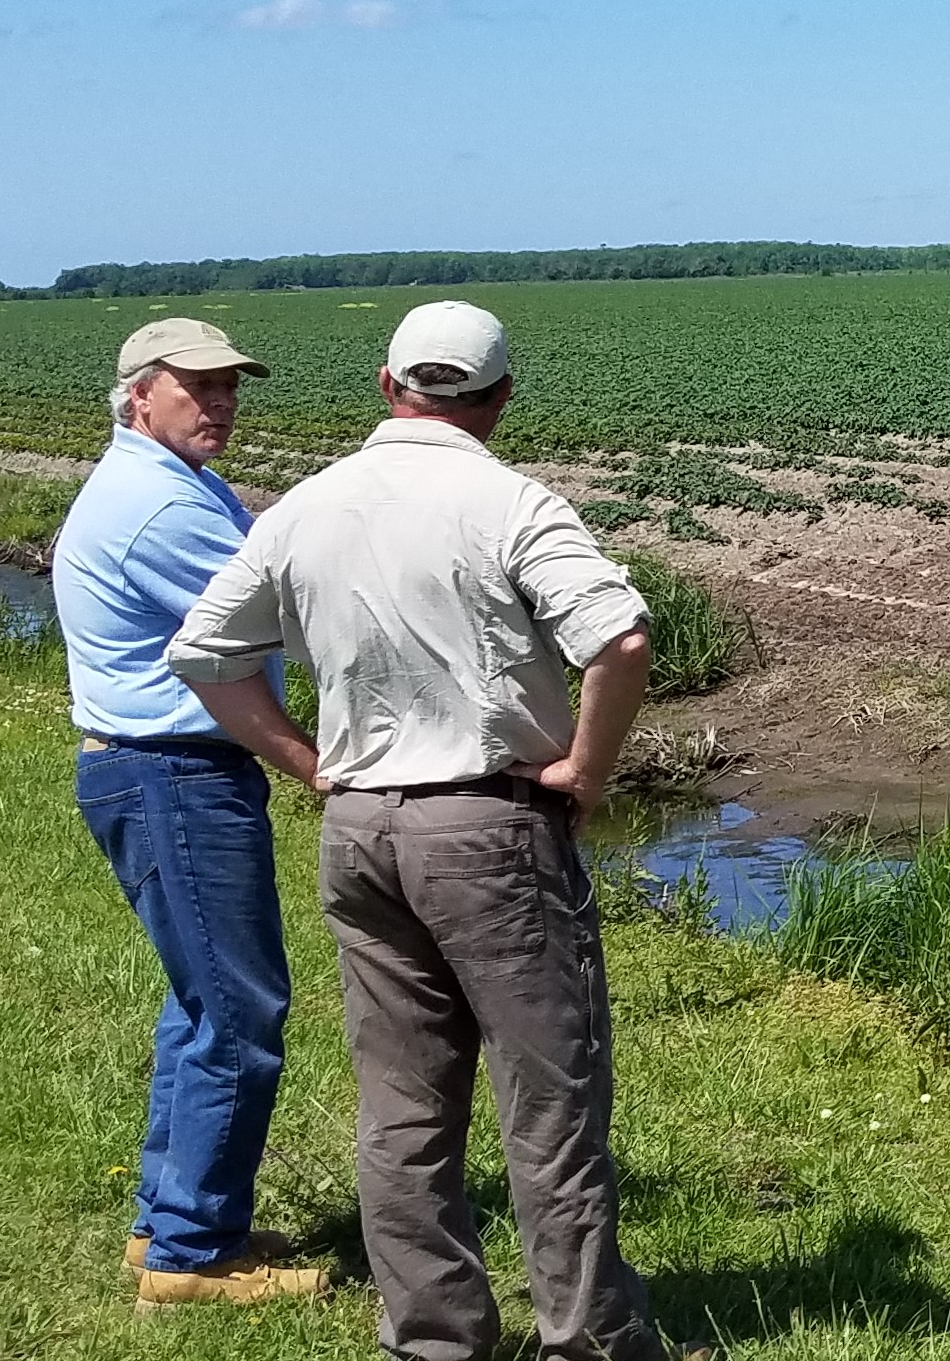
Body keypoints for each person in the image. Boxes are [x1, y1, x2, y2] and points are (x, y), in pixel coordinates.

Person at [170, 301, 690, 1361]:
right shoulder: (509, 502)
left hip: (359, 830)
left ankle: (435, 1338)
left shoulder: (304, 509)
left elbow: (206, 654)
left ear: (386, 383)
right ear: (500, 398)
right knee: (550, 1096)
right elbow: (623, 639)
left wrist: (311, 764)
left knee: (401, 1104)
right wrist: (585, 773)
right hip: (489, 825)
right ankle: (589, 1336)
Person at [56, 317, 331, 1308]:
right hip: (175, 773)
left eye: (230, 387)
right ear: (141, 393)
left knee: (201, 1001)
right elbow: (279, 618)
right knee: (240, 1012)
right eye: (198, 386)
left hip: (158, 770)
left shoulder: (175, 483)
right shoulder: (154, 507)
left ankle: (166, 1221)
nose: (221, 403)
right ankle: (192, 1256)